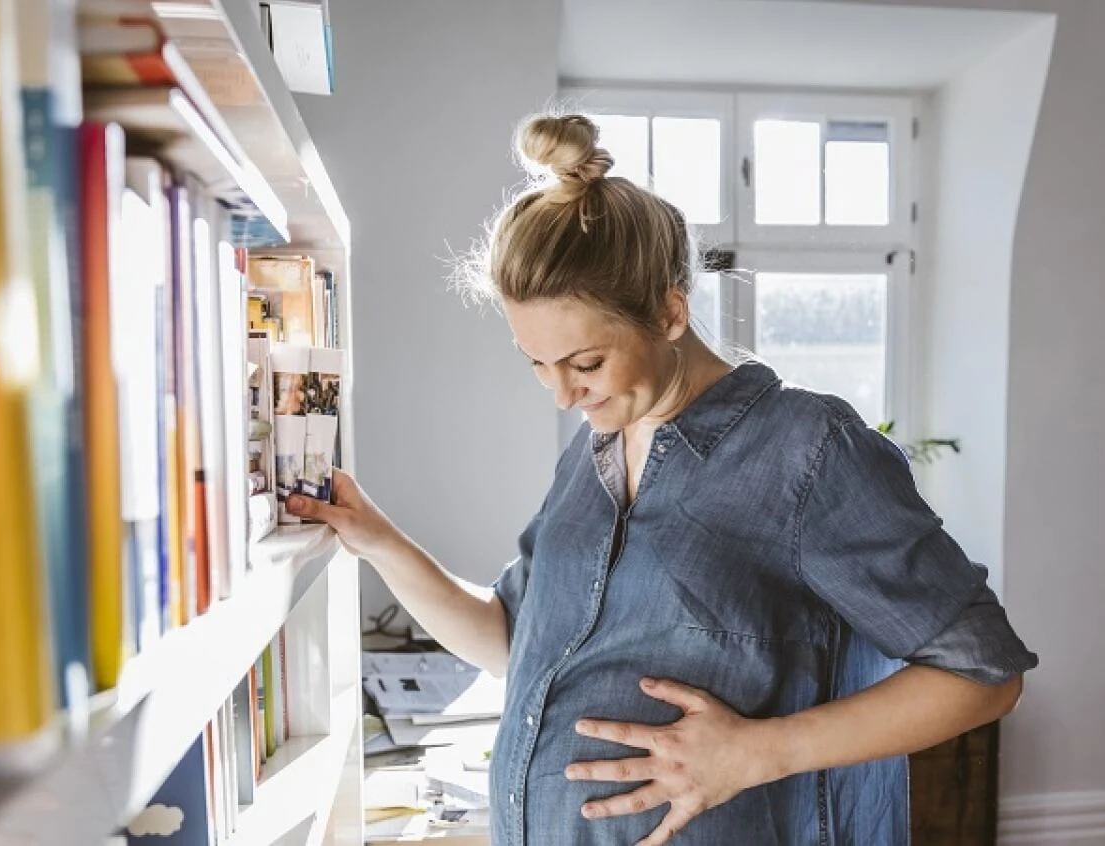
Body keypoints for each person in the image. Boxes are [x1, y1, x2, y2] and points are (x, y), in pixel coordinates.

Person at [283, 113, 1038, 846]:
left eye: (585, 364)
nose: (563, 394)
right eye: (536, 364)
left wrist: (756, 752)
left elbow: (984, 673)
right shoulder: (589, 459)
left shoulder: (808, 448)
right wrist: (377, 540)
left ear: (671, 313)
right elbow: (514, 646)